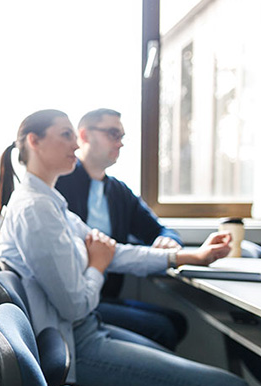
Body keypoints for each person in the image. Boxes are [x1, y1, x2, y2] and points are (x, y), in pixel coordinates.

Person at [0, 109, 261, 386]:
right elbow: (76, 301)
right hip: (78, 343)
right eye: (65, 135)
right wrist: (97, 265)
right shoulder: (36, 210)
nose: (75, 146)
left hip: (88, 327)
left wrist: (191, 257)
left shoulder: (50, 202)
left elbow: (115, 251)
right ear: (34, 141)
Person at [54, 108, 187, 350]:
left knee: (178, 322)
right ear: (84, 135)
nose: (120, 143)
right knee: (163, 329)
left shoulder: (119, 192)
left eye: (122, 137)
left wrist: (168, 241)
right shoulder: (58, 182)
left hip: (105, 296)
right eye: (113, 134)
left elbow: (159, 229)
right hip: (75, 299)